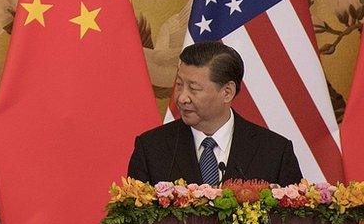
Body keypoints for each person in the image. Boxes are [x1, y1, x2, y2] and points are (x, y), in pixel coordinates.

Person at [127, 41, 302, 186]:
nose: (181, 98)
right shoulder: (151, 148)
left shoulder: (275, 152)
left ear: (227, 92)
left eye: (193, 88)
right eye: (179, 85)